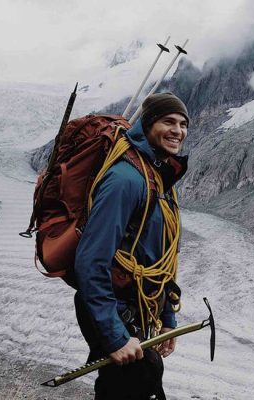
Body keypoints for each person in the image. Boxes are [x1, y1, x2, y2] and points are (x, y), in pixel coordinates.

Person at [74, 93, 189, 400]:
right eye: (168, 121)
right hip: (112, 306)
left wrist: (168, 319)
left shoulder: (159, 178)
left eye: (182, 123)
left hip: (136, 308)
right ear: (148, 124)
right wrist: (113, 336)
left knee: (130, 386)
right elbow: (91, 259)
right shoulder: (125, 179)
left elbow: (158, 259)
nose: (178, 130)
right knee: (141, 381)